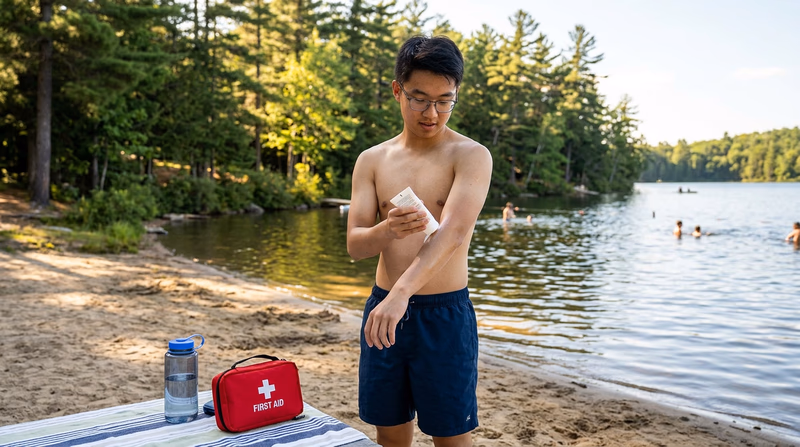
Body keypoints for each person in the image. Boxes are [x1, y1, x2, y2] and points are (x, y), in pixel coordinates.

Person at [346, 35, 492, 447]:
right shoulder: (373, 160)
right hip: (384, 309)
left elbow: (454, 233)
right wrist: (386, 230)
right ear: (398, 90)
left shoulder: (470, 155)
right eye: (420, 99)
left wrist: (402, 294)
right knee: (390, 436)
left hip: (443, 316)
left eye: (445, 100)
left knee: (451, 437)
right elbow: (356, 245)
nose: (433, 113)